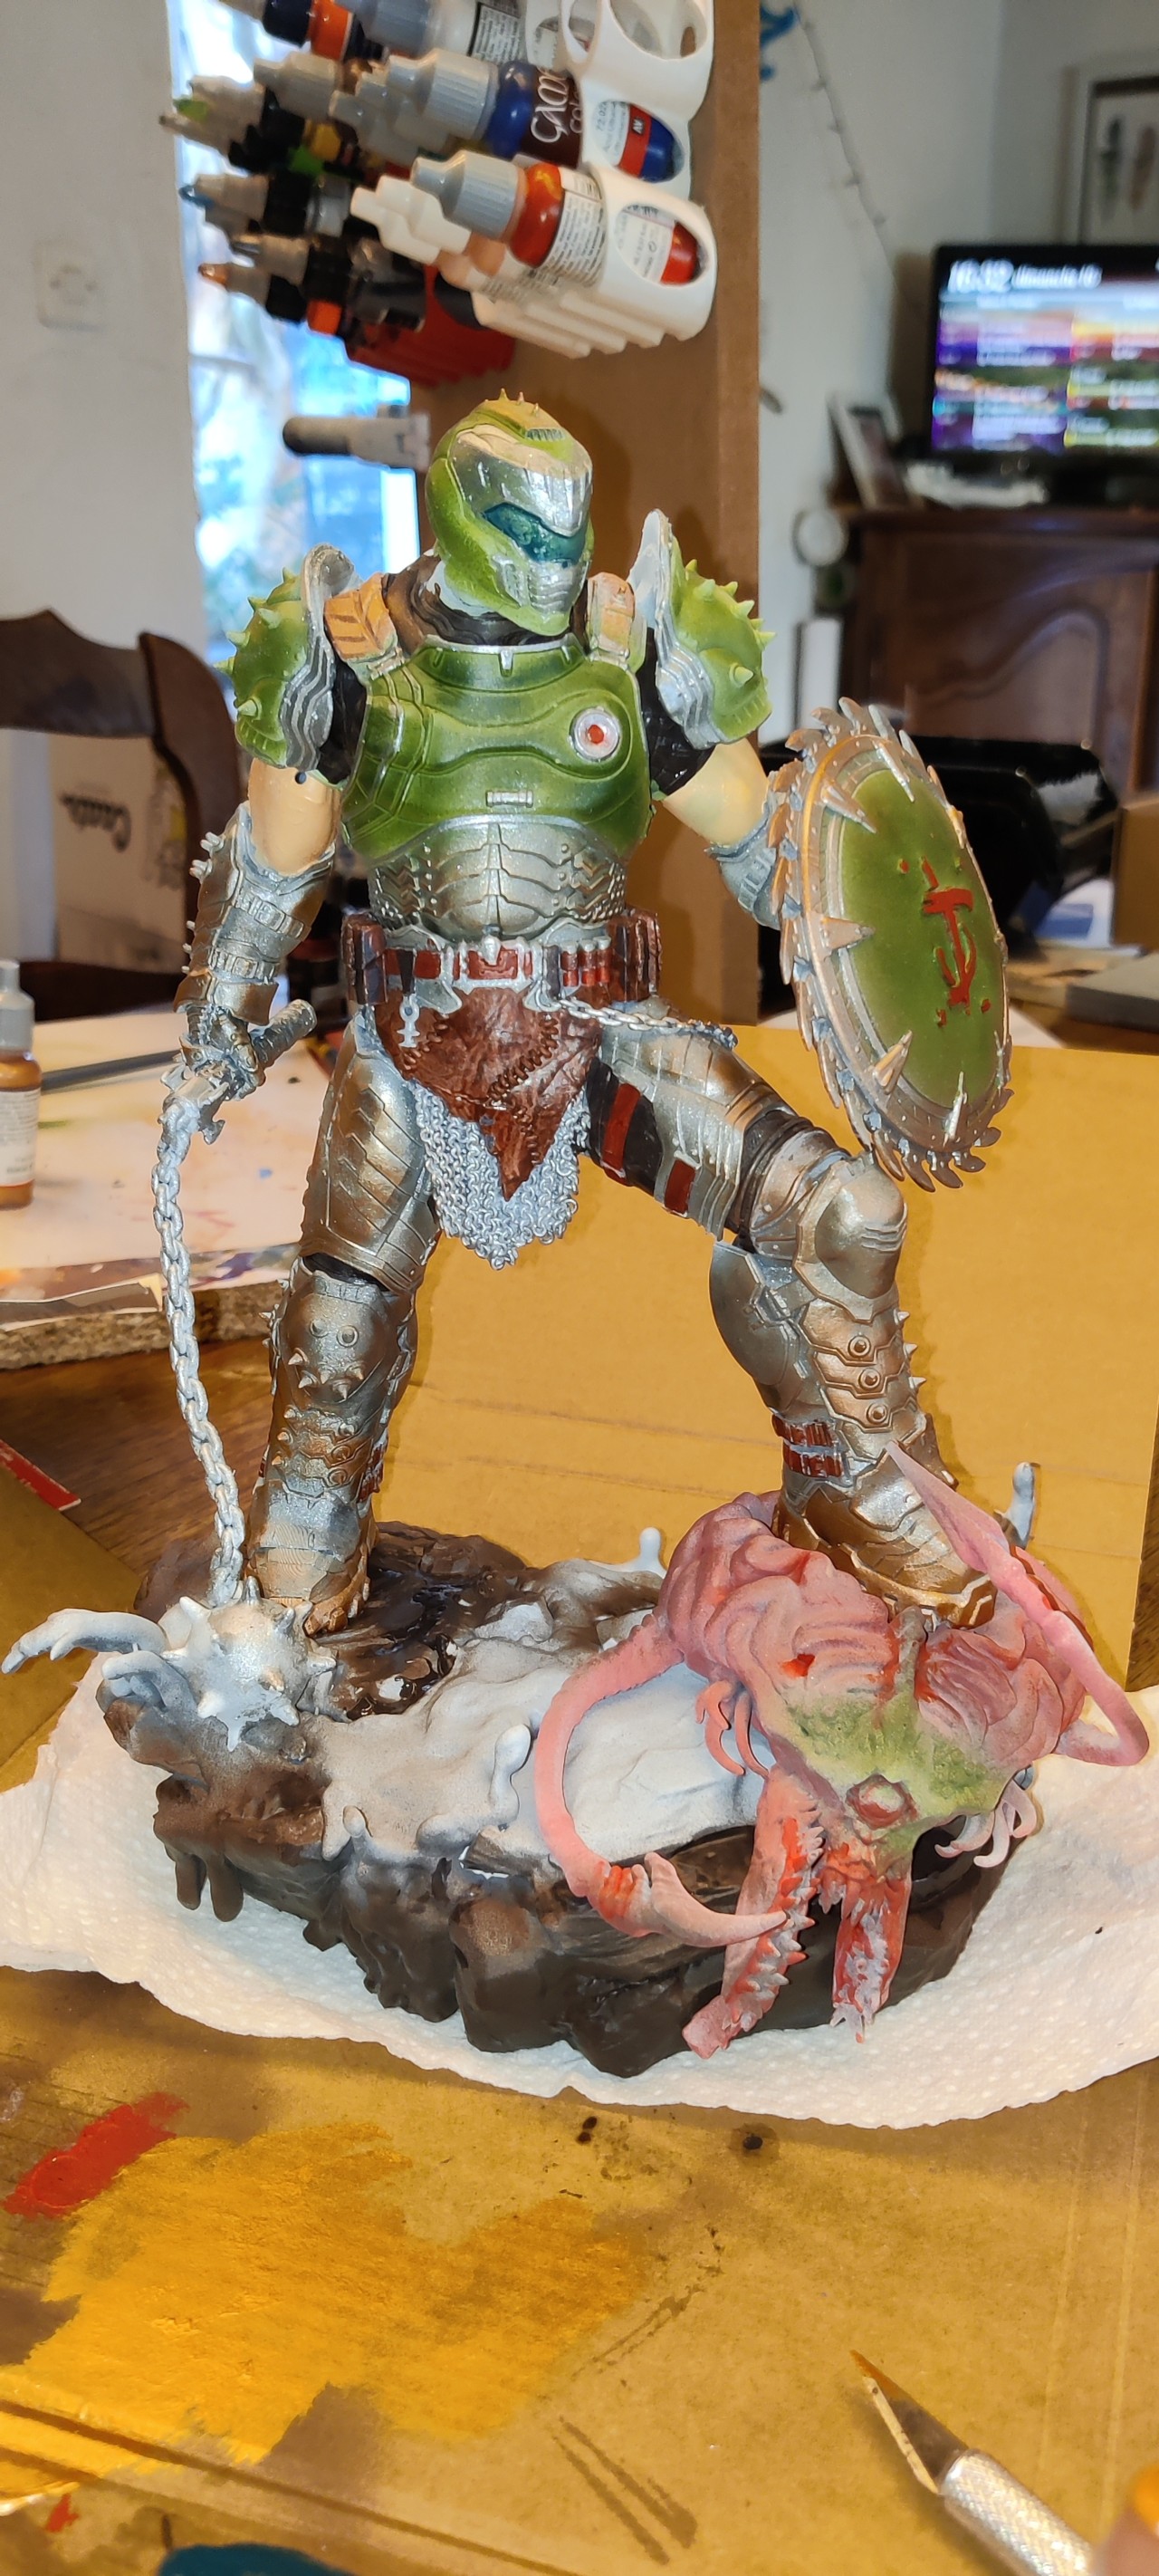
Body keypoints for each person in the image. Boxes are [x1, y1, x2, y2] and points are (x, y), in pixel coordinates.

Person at [180, 393, 992, 1635]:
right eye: (527, 531)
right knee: (343, 1302)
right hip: (413, 1034)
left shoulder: (633, 647)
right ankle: (309, 1518)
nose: (552, 559)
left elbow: (767, 844)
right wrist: (222, 1014)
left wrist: (878, 911)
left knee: (842, 1216)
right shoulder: (345, 652)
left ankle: (858, 1483)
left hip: (602, 1026)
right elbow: (275, 859)